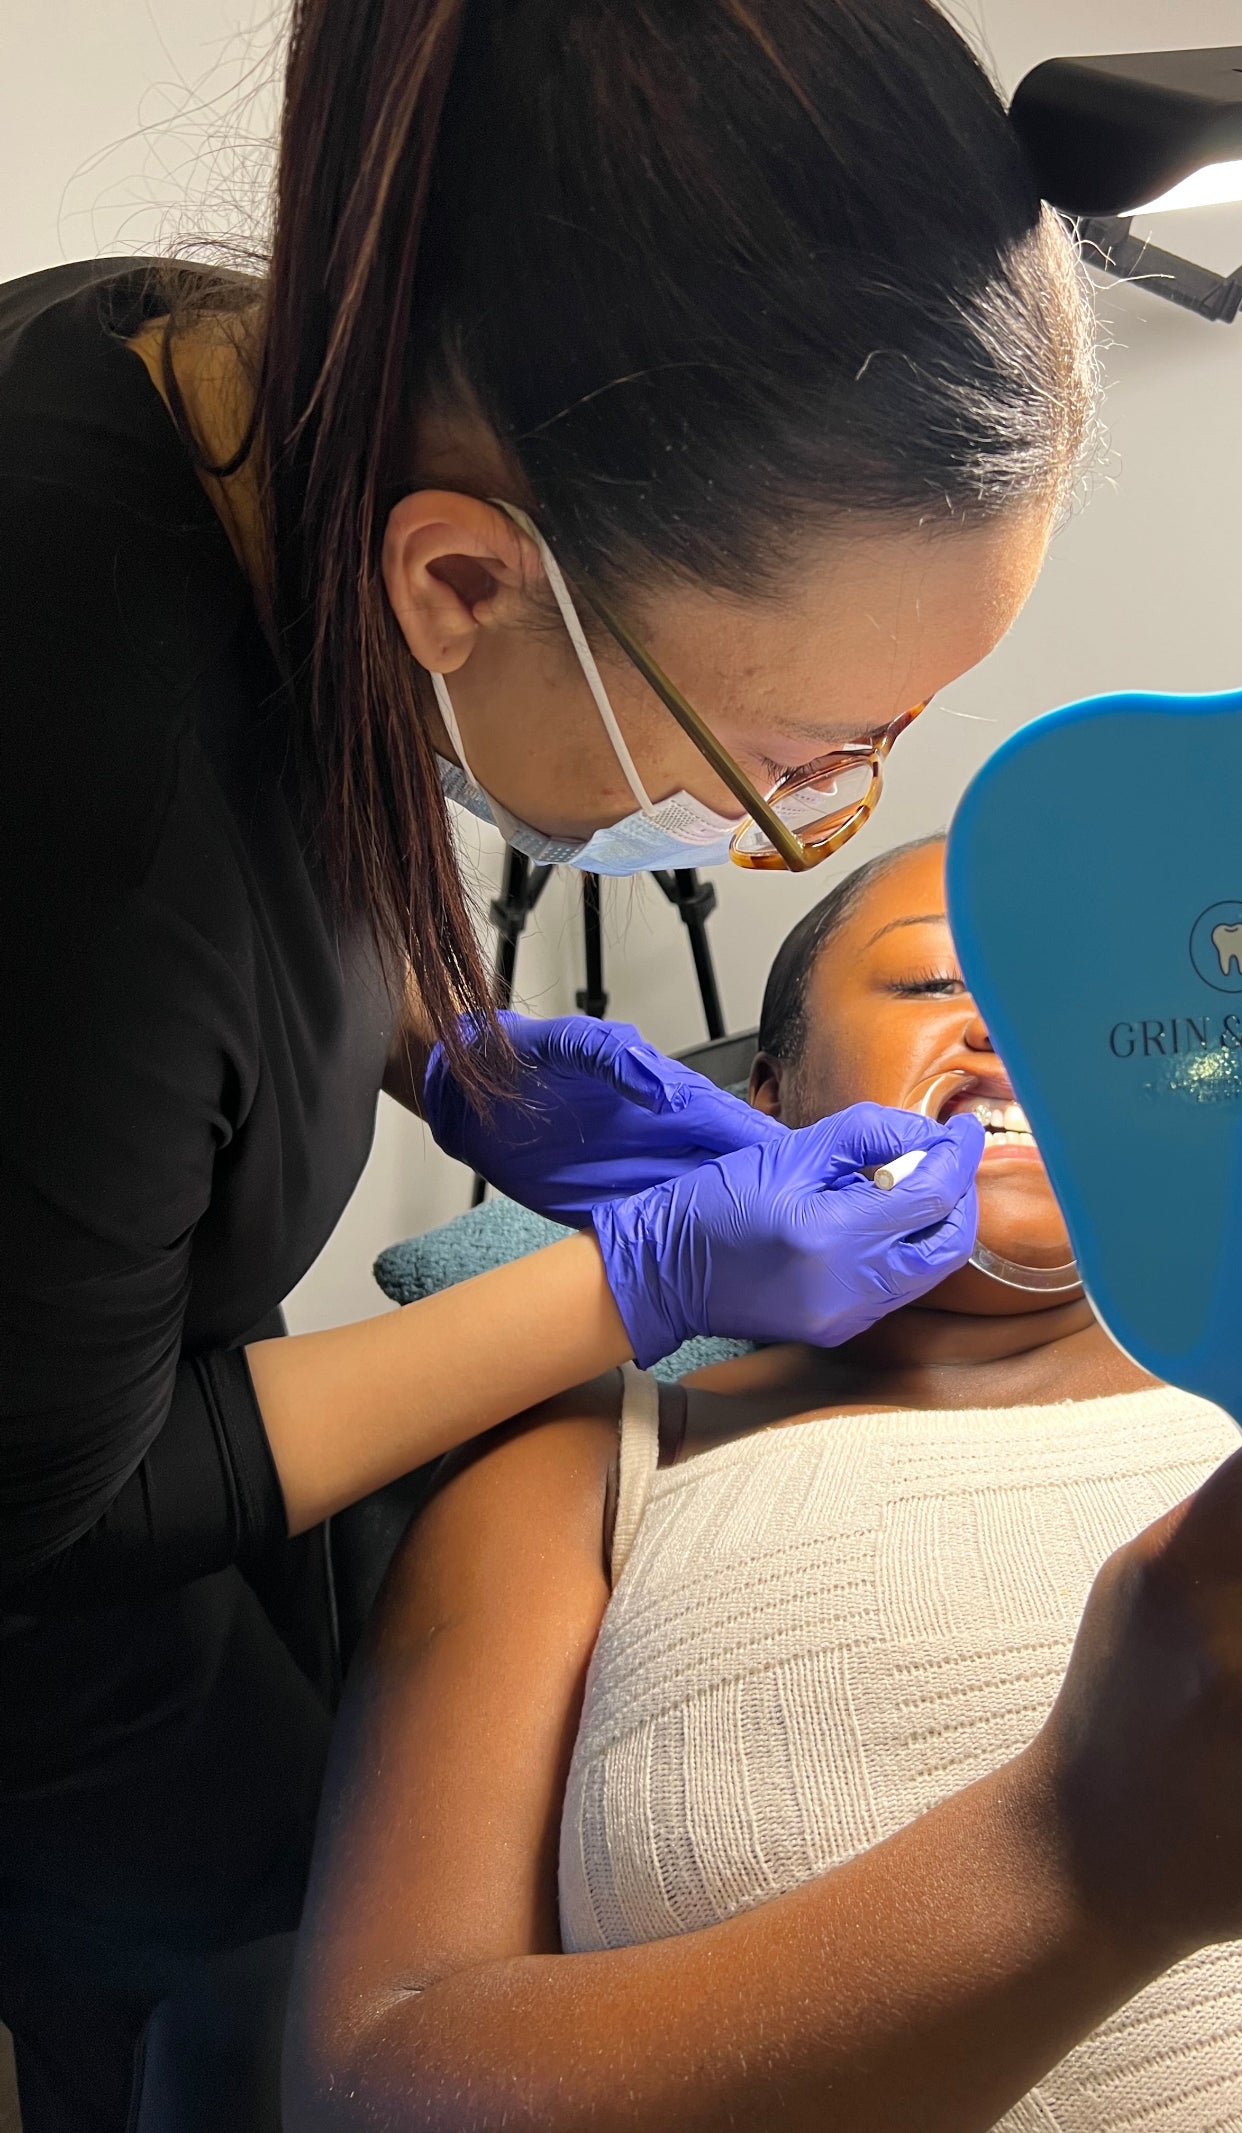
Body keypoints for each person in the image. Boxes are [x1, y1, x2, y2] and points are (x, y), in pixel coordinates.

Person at [0, 5, 1102, 2122]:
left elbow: (269, 844)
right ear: (463, 580)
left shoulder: (237, 396)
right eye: (798, 754)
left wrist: (458, 1053)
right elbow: (58, 1497)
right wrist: (633, 1286)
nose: (824, 820)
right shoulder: (73, 769)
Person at [284, 838, 1242, 2133]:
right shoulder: (590, 1455)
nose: (1020, 1030)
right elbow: (370, 2081)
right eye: (932, 988)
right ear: (776, 1096)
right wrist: (1070, 1855)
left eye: (1088, 1002)